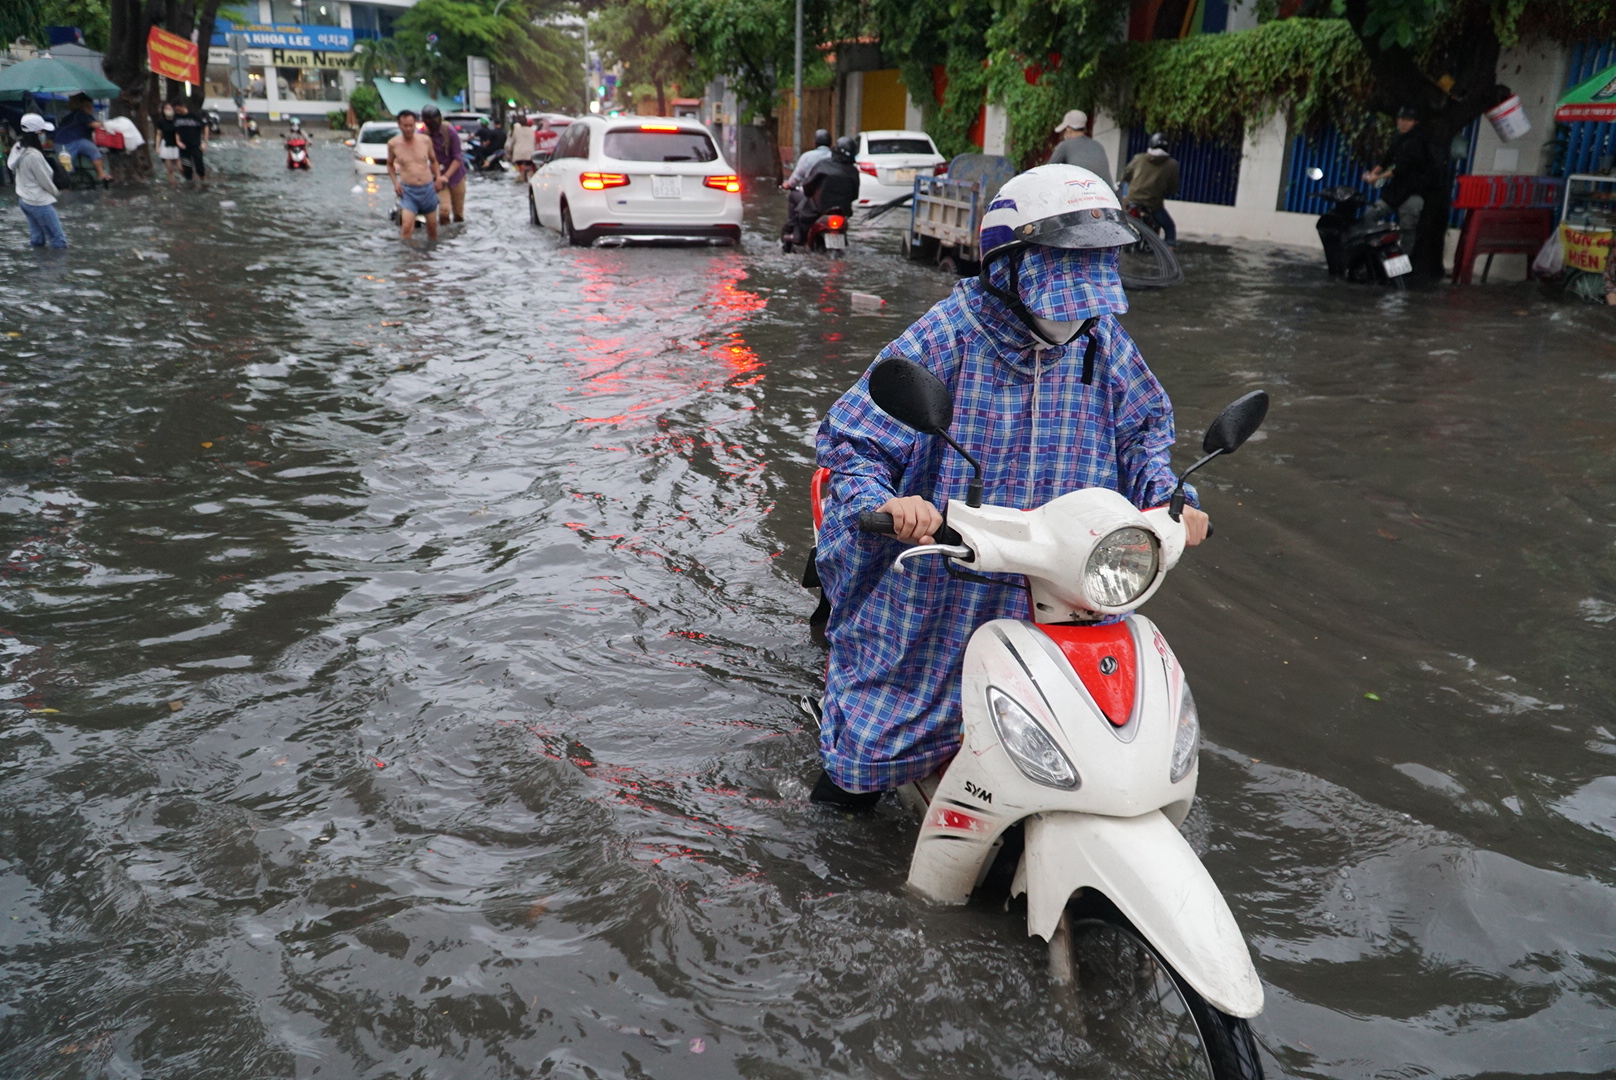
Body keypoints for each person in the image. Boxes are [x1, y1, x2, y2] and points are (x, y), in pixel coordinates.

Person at [809, 164, 1208, 806]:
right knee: (862, 764)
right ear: (1009, 268)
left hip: (1065, 576)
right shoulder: (949, 334)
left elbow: (1144, 432)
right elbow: (853, 442)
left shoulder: (1101, 341)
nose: (1081, 301)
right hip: (948, 576)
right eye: (1064, 275)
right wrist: (887, 503)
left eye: (1093, 274)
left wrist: (1170, 496)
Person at [1361, 106, 1440, 257]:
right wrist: (1373, 173)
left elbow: (1401, 168)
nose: (1404, 123)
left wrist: (1378, 177)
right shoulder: (1399, 138)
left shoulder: (1417, 141)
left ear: (1415, 123)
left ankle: (1403, 263)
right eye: (1402, 120)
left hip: (1413, 191)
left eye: (1408, 120)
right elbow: (1387, 158)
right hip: (1397, 190)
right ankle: (1373, 253)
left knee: (1408, 228)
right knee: (1370, 215)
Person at [790, 135, 860, 249]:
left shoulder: (822, 165)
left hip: (817, 212)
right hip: (842, 213)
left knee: (798, 207)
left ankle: (798, 238)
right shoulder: (853, 172)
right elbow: (855, 195)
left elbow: (808, 187)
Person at [8, 113, 67, 248]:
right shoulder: (34, 156)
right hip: (38, 202)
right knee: (58, 241)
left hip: (24, 200)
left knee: (37, 240)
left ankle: (39, 264)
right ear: (38, 132)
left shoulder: (18, 147)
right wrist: (57, 192)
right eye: (43, 131)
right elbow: (45, 180)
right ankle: (58, 268)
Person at [386, 109, 443, 240]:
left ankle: (432, 257)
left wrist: (438, 178)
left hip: (427, 189)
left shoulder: (425, 140)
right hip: (409, 191)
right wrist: (395, 183)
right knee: (406, 227)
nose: (408, 129)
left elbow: (434, 161)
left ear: (416, 124)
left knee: (432, 228)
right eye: (405, 126)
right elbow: (389, 164)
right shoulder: (393, 144)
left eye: (411, 125)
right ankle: (407, 258)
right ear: (399, 125)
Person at [1119, 132, 1180, 246]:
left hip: (1132, 201)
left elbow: (1125, 175)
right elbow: (1173, 188)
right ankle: (1169, 254)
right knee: (1170, 228)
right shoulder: (1172, 164)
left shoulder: (1138, 158)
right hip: (1153, 205)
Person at [781, 128, 835, 244]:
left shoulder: (807, 157)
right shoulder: (836, 158)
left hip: (812, 200)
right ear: (830, 143)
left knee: (792, 196)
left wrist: (787, 185)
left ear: (814, 143)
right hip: (834, 201)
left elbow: (796, 178)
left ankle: (793, 230)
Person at [420, 105, 467, 225]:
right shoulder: (422, 135)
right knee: (444, 212)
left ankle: (458, 236)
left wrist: (446, 176)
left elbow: (457, 158)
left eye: (434, 120)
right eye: (428, 121)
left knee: (458, 214)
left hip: (456, 175)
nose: (432, 124)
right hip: (437, 178)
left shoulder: (450, 132)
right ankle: (444, 238)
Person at [53, 93, 111, 186]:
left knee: (91, 149)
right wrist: (111, 125)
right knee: (66, 167)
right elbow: (95, 125)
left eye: (91, 106)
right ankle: (65, 186)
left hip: (76, 141)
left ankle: (101, 174)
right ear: (81, 106)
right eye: (87, 106)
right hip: (64, 142)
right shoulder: (80, 114)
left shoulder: (87, 116)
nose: (90, 108)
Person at [1045, 109, 1112, 187]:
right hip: (1107, 194)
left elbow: (1047, 171)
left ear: (1068, 129)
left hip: (1081, 194)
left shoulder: (1065, 145)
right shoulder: (1098, 145)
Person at [172, 101, 208, 181]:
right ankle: (189, 184)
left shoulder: (194, 116)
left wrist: (205, 142)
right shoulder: (176, 117)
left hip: (196, 146)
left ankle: (203, 181)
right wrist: (178, 141)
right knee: (187, 168)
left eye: (178, 109)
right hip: (184, 147)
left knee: (199, 167)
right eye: (176, 110)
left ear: (183, 106)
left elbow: (205, 127)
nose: (177, 112)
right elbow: (176, 131)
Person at [156, 103, 181, 181]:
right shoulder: (161, 122)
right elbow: (158, 134)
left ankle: (188, 180)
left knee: (181, 168)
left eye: (169, 109)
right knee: (170, 170)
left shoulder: (177, 121)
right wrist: (157, 147)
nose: (168, 111)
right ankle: (173, 184)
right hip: (166, 145)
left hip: (177, 145)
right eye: (166, 109)